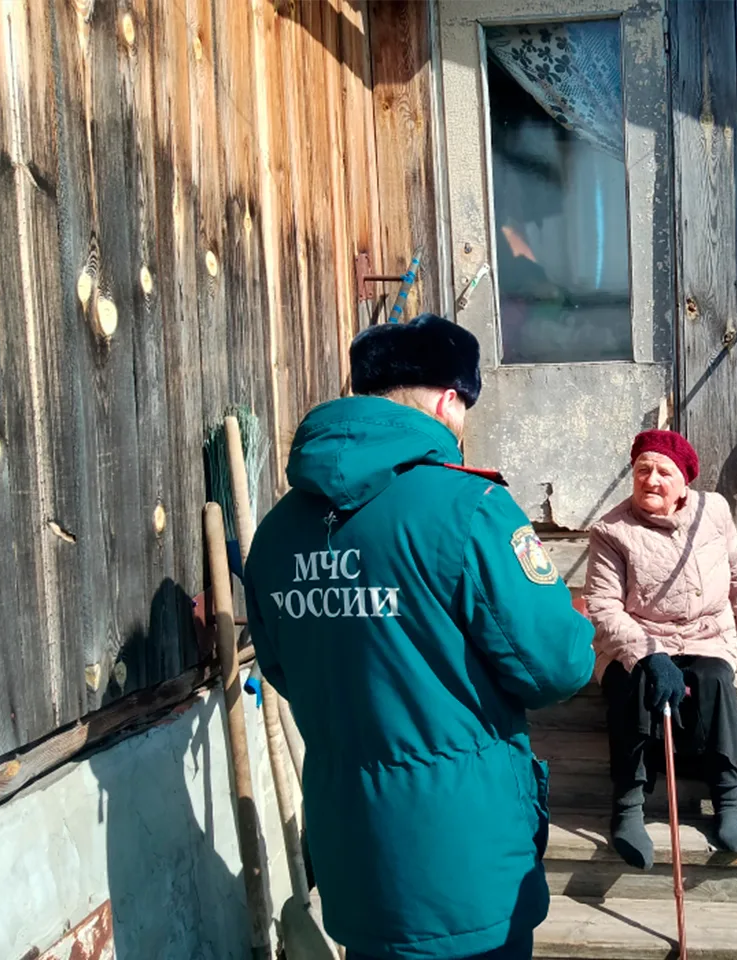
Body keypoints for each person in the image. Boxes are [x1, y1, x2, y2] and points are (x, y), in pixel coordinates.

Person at [244, 314, 596, 960]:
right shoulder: (470, 509)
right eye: (464, 406)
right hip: (465, 878)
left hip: (354, 868)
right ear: (447, 399)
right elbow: (560, 664)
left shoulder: (275, 534)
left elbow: (282, 668)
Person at [584, 429, 737, 869]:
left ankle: (728, 798)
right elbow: (602, 607)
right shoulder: (611, 531)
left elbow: (736, 563)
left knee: (713, 679)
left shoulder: (713, 510)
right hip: (637, 633)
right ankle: (628, 806)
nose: (651, 480)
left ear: (684, 481)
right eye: (642, 470)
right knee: (633, 682)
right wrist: (649, 653)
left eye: (662, 472)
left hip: (704, 631)